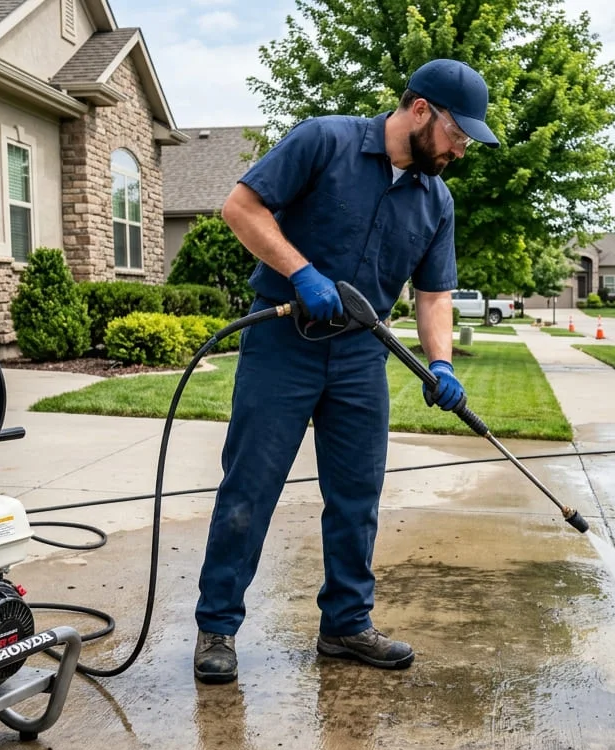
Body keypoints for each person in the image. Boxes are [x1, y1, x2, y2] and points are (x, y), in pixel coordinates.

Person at [192, 59, 502, 683]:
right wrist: (300, 271)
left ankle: (345, 625)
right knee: (249, 490)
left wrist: (440, 362)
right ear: (421, 111)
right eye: (457, 134)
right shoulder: (322, 140)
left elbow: (434, 294)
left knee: (357, 496)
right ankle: (217, 627)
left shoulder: (434, 199)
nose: (461, 149)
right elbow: (242, 207)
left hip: (363, 352)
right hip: (283, 340)